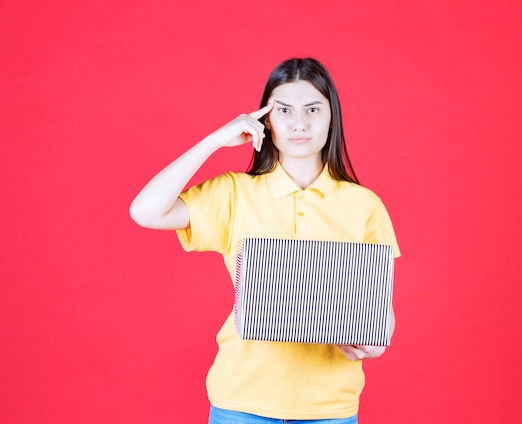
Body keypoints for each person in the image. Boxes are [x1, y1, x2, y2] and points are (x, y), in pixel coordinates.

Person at [129, 57, 401, 423]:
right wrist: (214, 141)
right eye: (284, 110)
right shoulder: (234, 193)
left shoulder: (365, 205)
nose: (299, 123)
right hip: (241, 402)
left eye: (313, 109)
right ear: (266, 120)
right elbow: (145, 212)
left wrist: (374, 343)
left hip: (330, 407)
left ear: (331, 117)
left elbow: (379, 307)